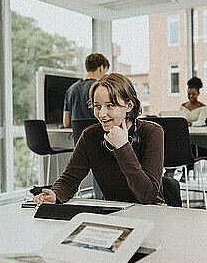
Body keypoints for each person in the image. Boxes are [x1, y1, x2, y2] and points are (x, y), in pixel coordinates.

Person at [35, 73, 165, 205]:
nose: (102, 114)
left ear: (129, 106)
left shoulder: (152, 132)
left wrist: (123, 147)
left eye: (110, 106)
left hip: (150, 211)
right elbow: (69, 180)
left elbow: (148, 196)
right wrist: (55, 194)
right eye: (97, 106)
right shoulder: (90, 135)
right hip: (113, 210)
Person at [63, 53, 110, 128]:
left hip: (78, 138)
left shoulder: (70, 89)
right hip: (97, 136)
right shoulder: (101, 89)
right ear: (101, 68)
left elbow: (66, 123)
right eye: (105, 72)